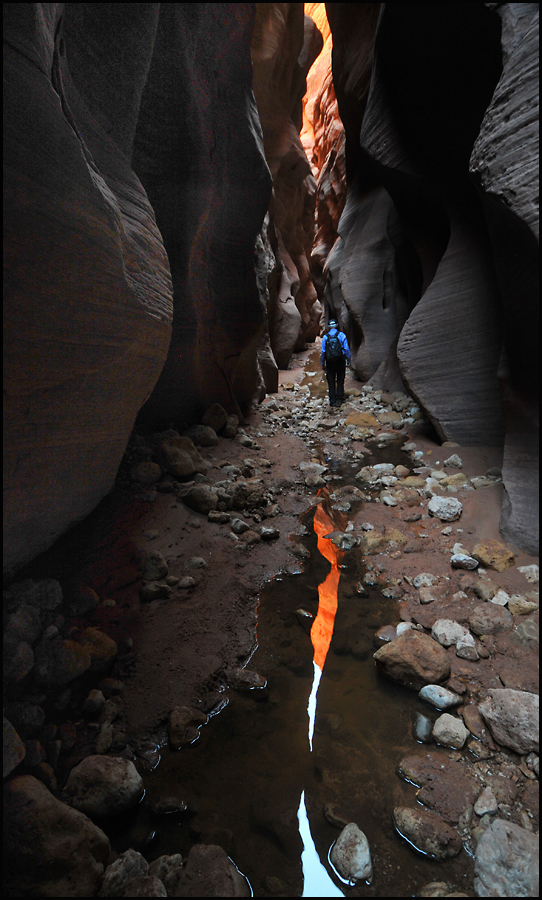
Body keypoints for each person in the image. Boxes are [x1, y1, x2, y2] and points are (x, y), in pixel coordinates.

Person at [321, 319, 350, 408]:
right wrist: (348, 360)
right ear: (336, 325)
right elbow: (346, 350)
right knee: (340, 379)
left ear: (329, 327)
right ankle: (340, 399)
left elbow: (323, 351)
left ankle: (332, 400)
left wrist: (322, 363)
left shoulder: (326, 337)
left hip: (330, 362)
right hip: (340, 360)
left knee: (331, 380)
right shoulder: (342, 335)